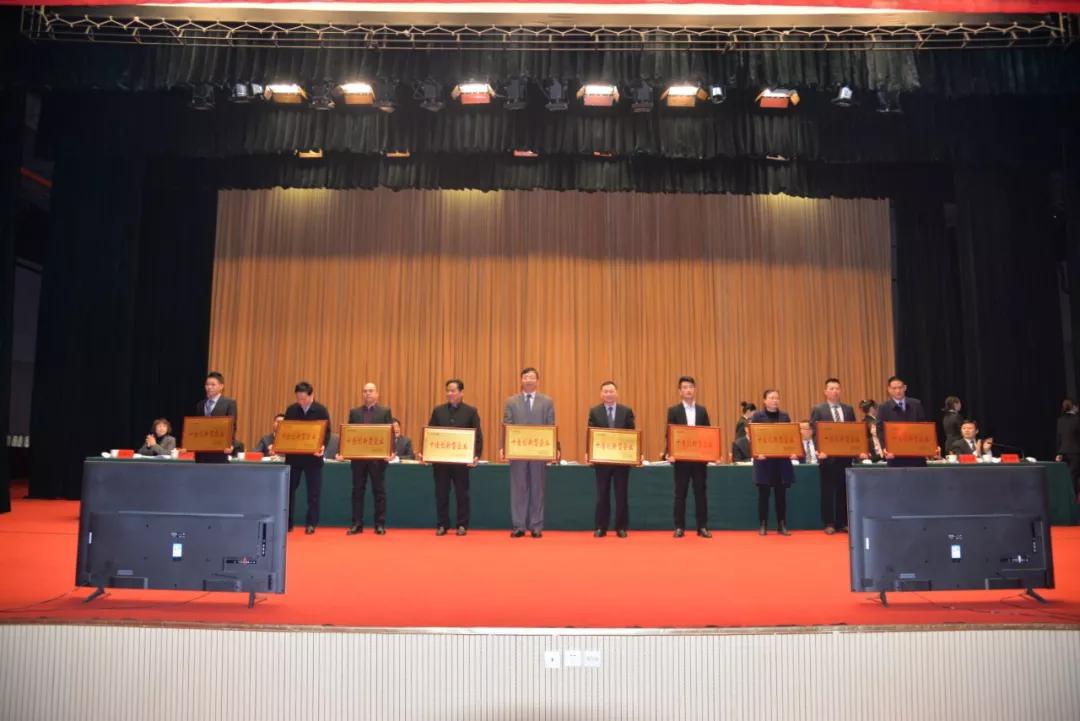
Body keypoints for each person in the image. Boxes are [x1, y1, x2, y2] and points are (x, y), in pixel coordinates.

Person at [501, 367, 556, 538]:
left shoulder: (547, 401)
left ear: (537, 381)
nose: (529, 380)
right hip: (517, 452)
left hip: (539, 453)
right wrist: (504, 447)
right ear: (521, 380)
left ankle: (536, 526)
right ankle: (519, 526)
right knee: (518, 489)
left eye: (532, 377)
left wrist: (553, 449)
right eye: (526, 377)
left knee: (538, 489)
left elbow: (551, 426)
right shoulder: (511, 401)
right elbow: (506, 425)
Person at [423, 379, 483, 536]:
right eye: (447, 391)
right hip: (441, 462)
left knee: (462, 494)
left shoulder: (470, 411)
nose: (449, 393)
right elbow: (431, 433)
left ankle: (462, 525)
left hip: (461, 462)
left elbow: (477, 436)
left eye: (453, 391)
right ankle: (442, 525)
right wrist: (426, 452)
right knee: (441, 493)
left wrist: (476, 455)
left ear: (461, 392)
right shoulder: (438, 411)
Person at [586, 380, 636, 538]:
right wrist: (589, 453)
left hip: (621, 461)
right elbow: (591, 434)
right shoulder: (594, 412)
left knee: (621, 495)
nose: (608, 394)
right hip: (602, 461)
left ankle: (621, 527)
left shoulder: (626, 411)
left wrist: (635, 454)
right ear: (601, 394)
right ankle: (601, 527)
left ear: (617, 393)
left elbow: (632, 435)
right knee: (602, 495)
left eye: (611, 391)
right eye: (605, 391)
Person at [341, 382, 393, 535]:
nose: (367, 394)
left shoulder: (385, 411)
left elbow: (389, 433)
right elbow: (349, 433)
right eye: (365, 391)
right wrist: (343, 450)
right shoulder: (354, 412)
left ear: (377, 394)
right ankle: (357, 524)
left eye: (370, 391)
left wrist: (390, 451)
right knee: (357, 491)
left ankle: (380, 524)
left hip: (377, 459)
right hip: (358, 459)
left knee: (379, 491)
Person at [810, 378, 860, 534]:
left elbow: (854, 432)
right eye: (831, 388)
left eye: (837, 388)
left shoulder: (848, 409)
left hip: (845, 457)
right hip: (827, 458)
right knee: (828, 491)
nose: (834, 391)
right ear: (825, 391)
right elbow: (815, 433)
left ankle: (842, 522)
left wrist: (856, 450)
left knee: (843, 490)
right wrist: (819, 451)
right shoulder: (818, 409)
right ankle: (829, 523)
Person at [279, 381, 330, 534]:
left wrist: (322, 446)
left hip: (313, 458)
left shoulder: (320, 410)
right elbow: (286, 431)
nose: (300, 401)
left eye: (303, 398)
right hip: (294, 457)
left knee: (313, 493)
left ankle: (311, 523)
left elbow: (326, 432)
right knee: (289, 491)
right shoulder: (291, 410)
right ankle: (288, 523)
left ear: (311, 395)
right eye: (298, 398)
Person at [664, 376, 712, 538]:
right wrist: (670, 453)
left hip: (699, 460)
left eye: (690, 387)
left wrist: (711, 454)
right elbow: (669, 434)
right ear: (680, 391)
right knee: (680, 494)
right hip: (681, 460)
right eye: (684, 387)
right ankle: (679, 527)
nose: (688, 390)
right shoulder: (673, 411)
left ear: (695, 389)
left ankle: (702, 527)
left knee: (700, 493)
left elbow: (708, 434)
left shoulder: (702, 410)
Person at [750, 389, 796, 536]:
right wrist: (757, 453)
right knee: (763, 496)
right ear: (764, 401)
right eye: (771, 398)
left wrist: (793, 451)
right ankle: (763, 524)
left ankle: (781, 525)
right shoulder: (757, 416)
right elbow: (754, 436)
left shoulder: (785, 416)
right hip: (764, 462)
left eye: (777, 398)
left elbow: (790, 436)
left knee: (781, 496)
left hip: (781, 462)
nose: (775, 400)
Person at [877, 375, 929, 467]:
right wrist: (885, 448)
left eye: (900, 387)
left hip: (916, 454)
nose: (898, 391)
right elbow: (880, 430)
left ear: (905, 388)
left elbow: (923, 427)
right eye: (894, 388)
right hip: (894, 455)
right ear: (889, 390)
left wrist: (928, 447)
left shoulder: (916, 404)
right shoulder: (884, 407)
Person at [191, 371, 237, 464]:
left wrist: (230, 444)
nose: (209, 387)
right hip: (201, 451)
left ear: (221, 386)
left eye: (213, 385)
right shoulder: (200, 404)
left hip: (219, 450)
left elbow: (232, 426)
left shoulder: (229, 403)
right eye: (207, 384)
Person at [1055, 399, 1080, 498]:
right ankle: (1073, 500)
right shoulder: (1077, 420)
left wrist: (1058, 453)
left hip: (1063, 452)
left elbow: (1058, 439)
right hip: (1075, 452)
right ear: (1073, 407)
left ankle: (1065, 498)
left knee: (1065, 476)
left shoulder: (1060, 420)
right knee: (1073, 476)